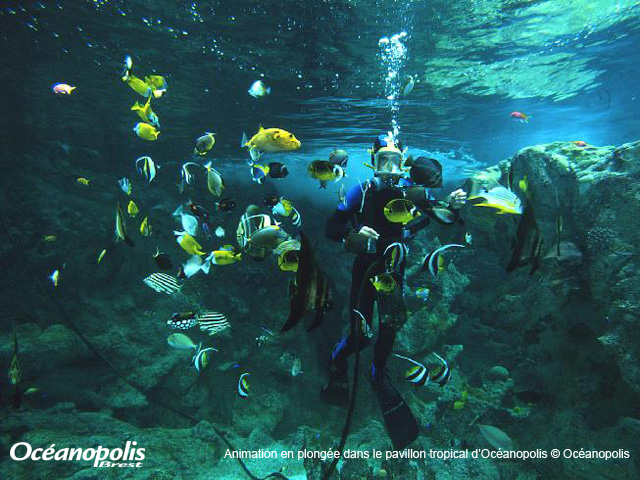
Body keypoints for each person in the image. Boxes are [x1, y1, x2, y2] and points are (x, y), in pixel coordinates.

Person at [321, 132, 466, 448]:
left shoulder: (412, 192)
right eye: (382, 160)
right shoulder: (362, 190)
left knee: (391, 324)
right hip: (365, 267)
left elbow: (442, 217)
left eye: (395, 161)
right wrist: (353, 234)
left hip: (393, 265)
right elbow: (331, 227)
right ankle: (337, 360)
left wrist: (454, 208)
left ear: (404, 161)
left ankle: (378, 371)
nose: (389, 168)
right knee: (362, 334)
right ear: (371, 160)